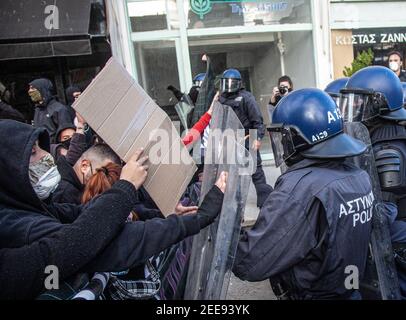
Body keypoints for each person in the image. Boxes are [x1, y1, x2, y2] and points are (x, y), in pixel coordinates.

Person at [0, 119, 226, 299]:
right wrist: (126, 187)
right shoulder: (16, 228)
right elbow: (89, 242)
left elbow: (84, 214)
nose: (46, 156)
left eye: (40, 148)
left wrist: (161, 214)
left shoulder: (37, 209)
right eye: (32, 153)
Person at [233, 88, 373, 300]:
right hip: (350, 290)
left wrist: (226, 227)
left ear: (297, 137)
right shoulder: (358, 175)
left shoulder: (299, 189)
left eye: (283, 136)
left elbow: (250, 263)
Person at [340, 65, 406, 297]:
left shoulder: (389, 150)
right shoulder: (375, 137)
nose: (352, 109)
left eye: (359, 102)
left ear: (379, 103)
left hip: (398, 244)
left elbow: (383, 214)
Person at [218, 68, 273, 208]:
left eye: (232, 82)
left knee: (255, 169)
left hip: (247, 137)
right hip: (230, 140)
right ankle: (233, 203)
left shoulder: (246, 98)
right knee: (231, 172)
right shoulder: (221, 98)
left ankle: (264, 200)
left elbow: (258, 121)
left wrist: (258, 138)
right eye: (226, 82)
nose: (229, 85)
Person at [52, 143, 122, 205]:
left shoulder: (72, 189)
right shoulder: (64, 195)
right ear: (84, 166)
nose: (104, 182)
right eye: (103, 173)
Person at [28, 78, 73, 143]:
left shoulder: (59, 109)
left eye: (33, 88)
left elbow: (67, 134)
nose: (29, 91)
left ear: (42, 89)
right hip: (42, 150)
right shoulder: (37, 110)